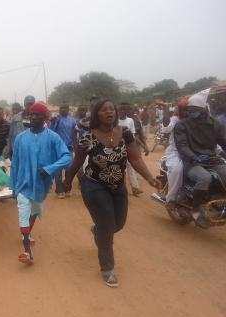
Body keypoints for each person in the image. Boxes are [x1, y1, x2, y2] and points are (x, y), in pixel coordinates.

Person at [64, 99, 158, 288]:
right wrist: (67, 181)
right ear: (96, 114)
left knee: (118, 224)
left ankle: (98, 231)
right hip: (94, 186)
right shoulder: (87, 137)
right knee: (108, 228)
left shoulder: (125, 133)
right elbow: (76, 163)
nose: (110, 112)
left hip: (118, 187)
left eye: (111, 109)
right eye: (104, 110)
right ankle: (108, 268)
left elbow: (135, 158)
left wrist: (149, 178)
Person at [10, 102, 72, 264]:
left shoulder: (53, 137)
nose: (32, 117)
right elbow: (15, 163)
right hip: (23, 183)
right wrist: (13, 186)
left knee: (34, 211)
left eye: (37, 114)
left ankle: (27, 233)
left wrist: (50, 168)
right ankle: (27, 250)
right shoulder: (20, 138)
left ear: (44, 117)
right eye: (31, 114)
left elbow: (67, 157)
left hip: (42, 185)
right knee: (23, 211)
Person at [174, 90, 226, 228]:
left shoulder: (215, 124)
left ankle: (219, 204)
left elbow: (224, 142)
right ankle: (196, 209)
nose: (191, 113)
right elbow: (182, 146)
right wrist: (195, 157)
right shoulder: (182, 125)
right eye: (189, 110)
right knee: (204, 178)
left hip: (211, 160)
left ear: (203, 109)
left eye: (194, 110)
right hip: (191, 161)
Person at [163, 98, 188, 207]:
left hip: (194, 151)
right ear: (179, 110)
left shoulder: (196, 121)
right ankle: (171, 199)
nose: (186, 112)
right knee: (177, 169)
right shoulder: (175, 119)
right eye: (183, 109)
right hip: (175, 152)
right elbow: (166, 128)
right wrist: (166, 110)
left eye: (188, 109)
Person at [50, 103, 77, 198]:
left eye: (66, 108)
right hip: (57, 149)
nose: (63, 110)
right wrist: (53, 123)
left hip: (69, 148)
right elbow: (51, 132)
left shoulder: (73, 121)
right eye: (62, 108)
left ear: (68, 109)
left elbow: (74, 135)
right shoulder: (56, 120)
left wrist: (75, 147)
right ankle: (59, 190)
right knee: (58, 171)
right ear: (59, 109)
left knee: (69, 170)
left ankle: (67, 188)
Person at [118, 103, 142, 196]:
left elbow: (133, 134)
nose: (122, 112)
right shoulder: (115, 121)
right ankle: (123, 189)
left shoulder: (130, 120)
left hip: (129, 147)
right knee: (121, 170)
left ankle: (135, 188)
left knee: (131, 167)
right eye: (120, 110)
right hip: (118, 149)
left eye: (124, 110)